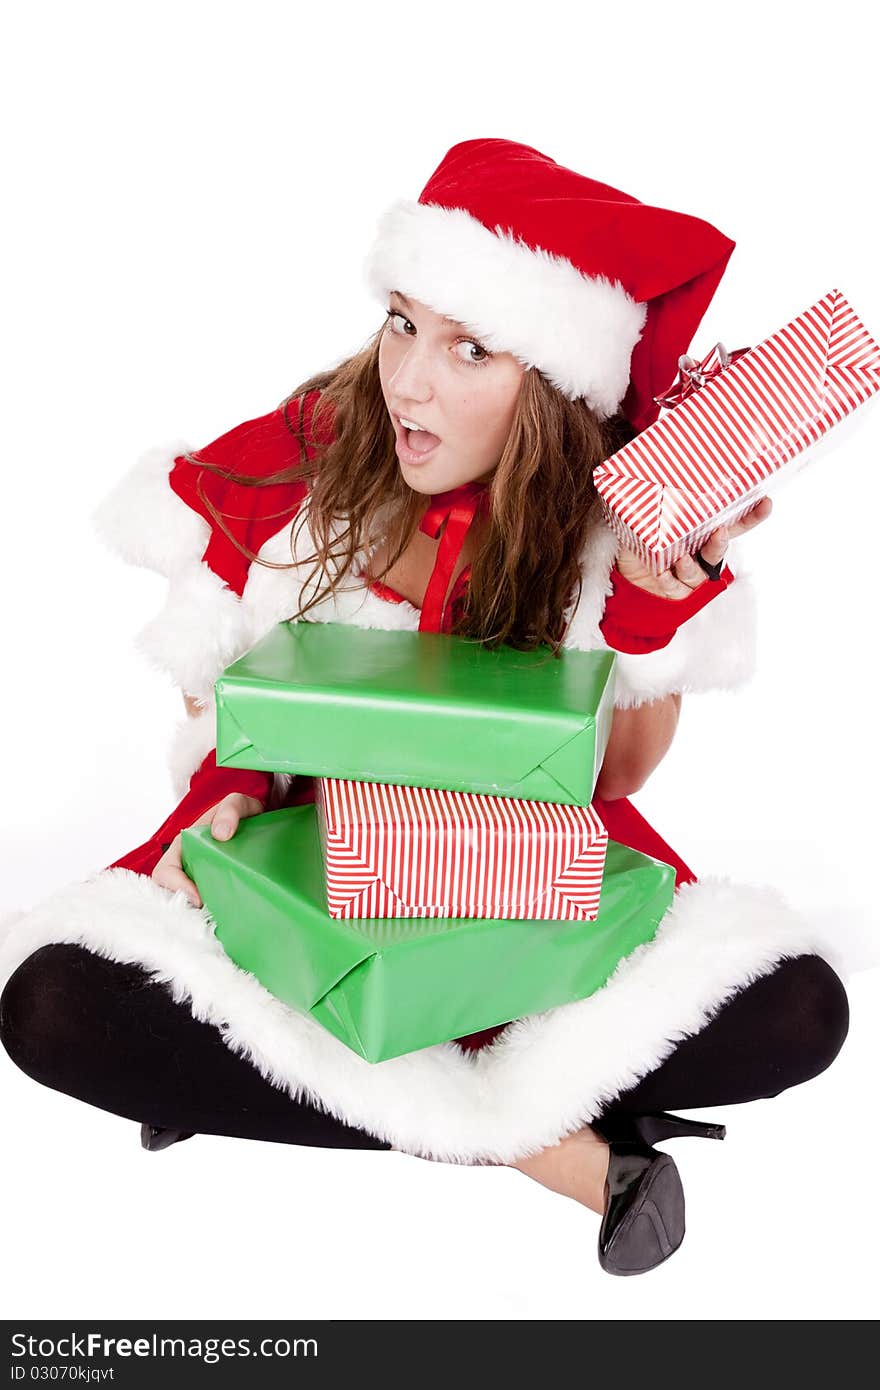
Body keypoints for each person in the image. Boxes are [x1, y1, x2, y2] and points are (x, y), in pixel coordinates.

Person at [0, 137, 850, 1278]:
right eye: (403, 321)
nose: (410, 378)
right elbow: (232, 708)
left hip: (515, 879)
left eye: (470, 347)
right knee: (52, 1006)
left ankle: (285, 1078)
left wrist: (650, 599)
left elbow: (613, 779)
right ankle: (557, 1148)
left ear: (550, 386)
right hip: (304, 856)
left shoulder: (608, 524)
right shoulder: (311, 454)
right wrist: (230, 799)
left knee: (799, 1013)